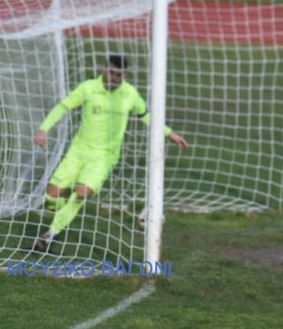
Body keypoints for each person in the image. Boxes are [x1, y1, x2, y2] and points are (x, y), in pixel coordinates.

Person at [31, 55, 189, 252]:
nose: (115, 78)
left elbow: (145, 115)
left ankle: (50, 234)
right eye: (112, 73)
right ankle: (61, 213)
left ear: (125, 75)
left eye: (120, 75)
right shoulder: (88, 88)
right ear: (104, 70)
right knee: (52, 197)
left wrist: (169, 133)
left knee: (82, 194)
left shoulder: (129, 94)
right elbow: (64, 106)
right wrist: (43, 129)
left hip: (104, 157)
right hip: (78, 152)